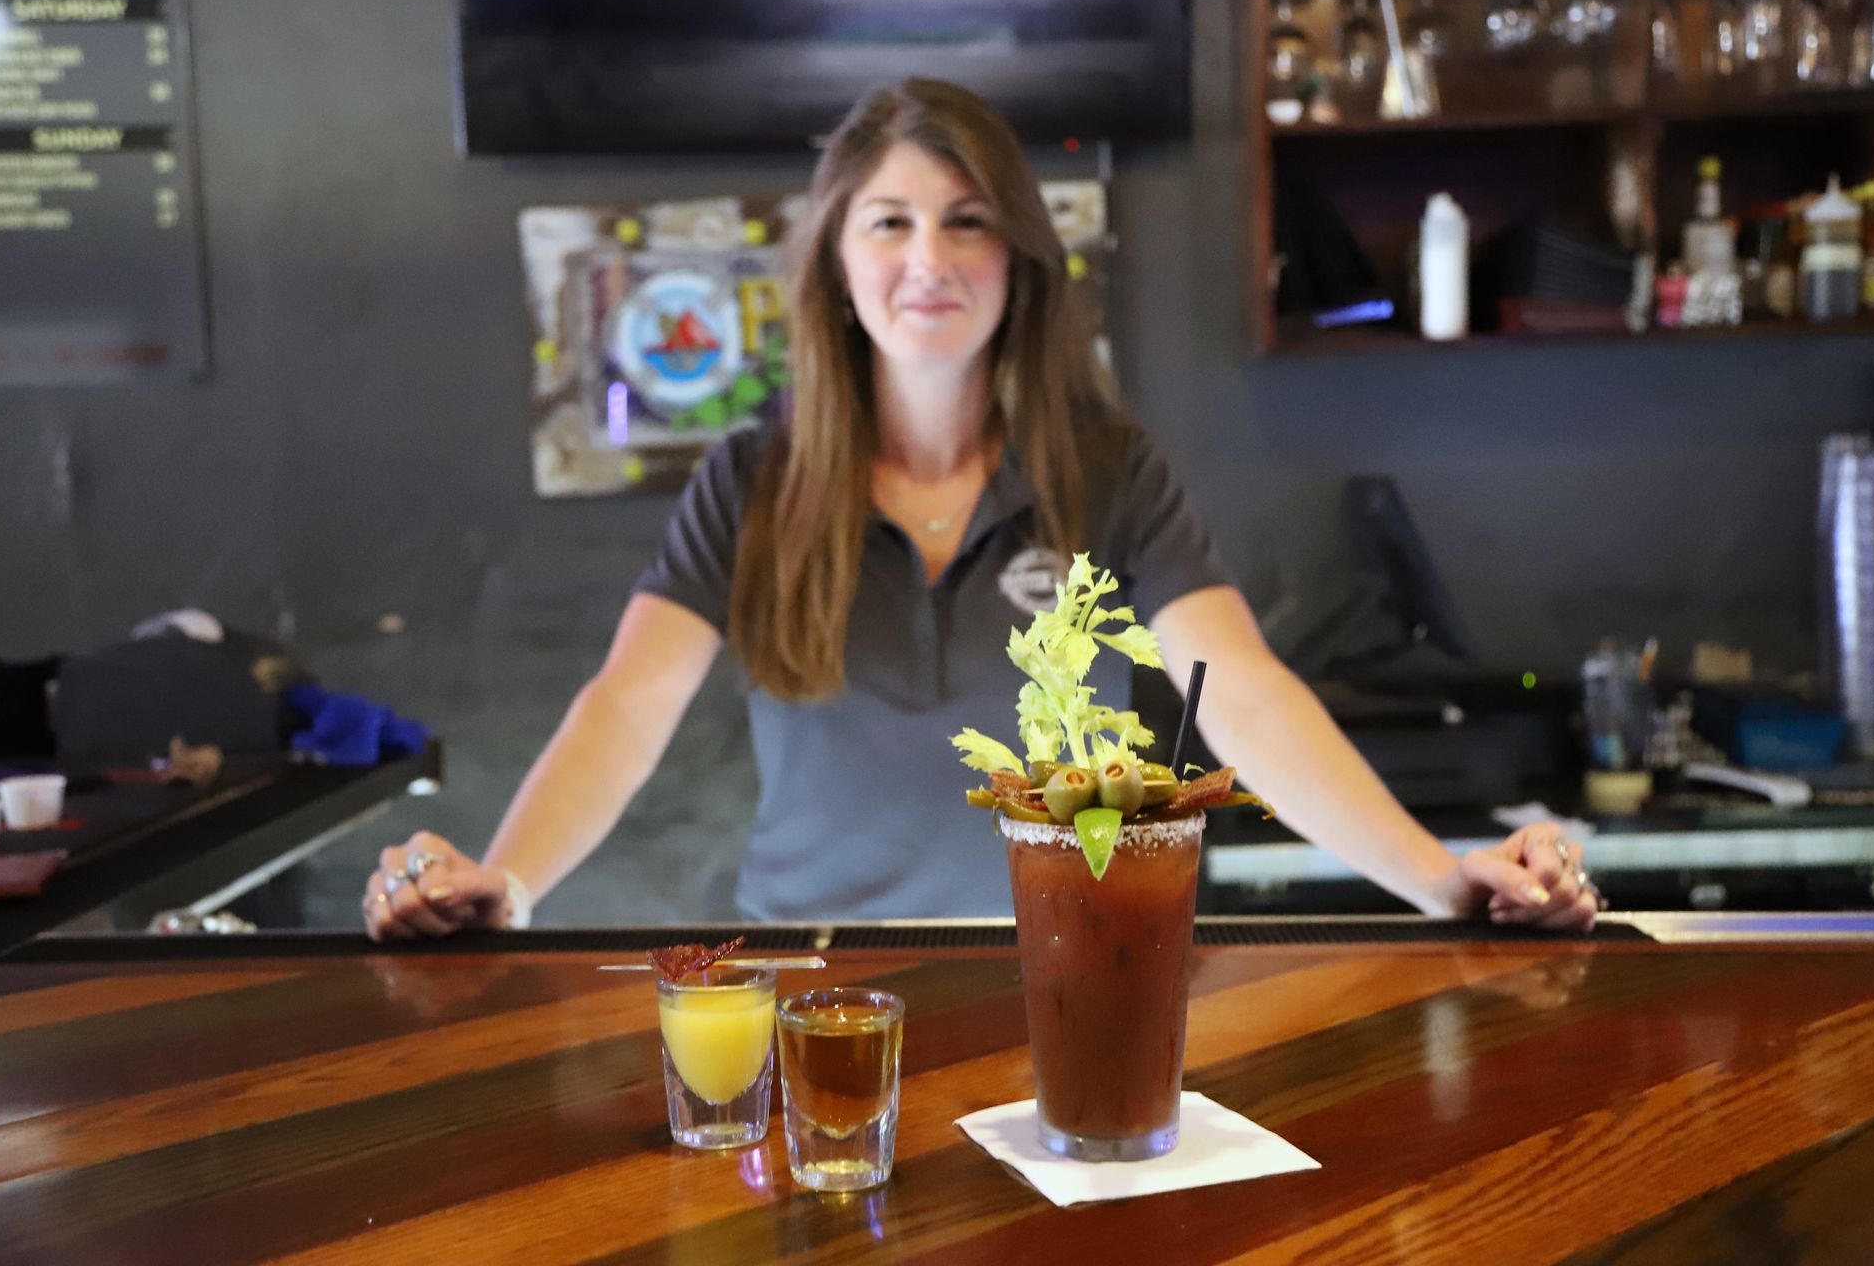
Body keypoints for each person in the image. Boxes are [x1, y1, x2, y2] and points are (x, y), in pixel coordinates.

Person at [364, 79, 1599, 940]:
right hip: (820, 980)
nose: (929, 259)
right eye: (889, 221)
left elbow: (1249, 697)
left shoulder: (1111, 471)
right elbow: (626, 706)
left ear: (1019, 257)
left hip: (1079, 951)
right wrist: (507, 880)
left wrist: (1442, 881)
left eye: (968, 222)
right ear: (839, 266)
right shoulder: (753, 479)